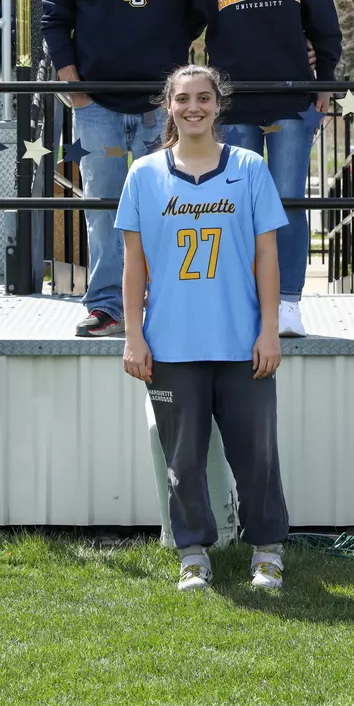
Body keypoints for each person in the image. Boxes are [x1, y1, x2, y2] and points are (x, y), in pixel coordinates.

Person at [115, 64, 290, 591]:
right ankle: (193, 553)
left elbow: (266, 256)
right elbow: (133, 264)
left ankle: (267, 551)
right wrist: (133, 335)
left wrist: (270, 330)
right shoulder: (143, 174)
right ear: (168, 106)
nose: (194, 107)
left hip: (241, 341)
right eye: (183, 98)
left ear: (219, 104)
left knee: (256, 454)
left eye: (204, 98)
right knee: (182, 458)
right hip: (171, 343)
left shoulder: (250, 167)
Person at [41, 0, 202, 338]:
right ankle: (108, 305)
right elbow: (54, 18)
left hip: (162, 108)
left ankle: (171, 303)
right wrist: (75, 87)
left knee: (171, 207)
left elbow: (204, 6)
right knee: (104, 207)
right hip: (99, 108)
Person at [193, 0, 342, 338]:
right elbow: (181, 26)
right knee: (234, 206)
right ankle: (242, 301)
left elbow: (322, 17)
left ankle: (289, 301)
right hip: (234, 104)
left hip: (290, 102)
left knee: (288, 203)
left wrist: (326, 78)